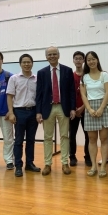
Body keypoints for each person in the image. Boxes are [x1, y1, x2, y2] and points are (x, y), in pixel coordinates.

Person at [36, 46, 76, 176]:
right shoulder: (41, 72)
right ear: (46, 57)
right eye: (49, 54)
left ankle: (65, 163)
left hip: (63, 107)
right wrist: (38, 111)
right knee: (48, 137)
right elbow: (39, 93)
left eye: (54, 54)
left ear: (58, 55)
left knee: (64, 136)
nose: (52, 56)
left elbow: (71, 91)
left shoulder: (67, 70)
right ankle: (47, 164)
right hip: (48, 108)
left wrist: (72, 108)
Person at [7, 54, 41, 177]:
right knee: (19, 140)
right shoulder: (14, 78)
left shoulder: (37, 79)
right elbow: (10, 96)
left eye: (29, 62)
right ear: (20, 64)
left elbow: (40, 97)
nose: (26, 64)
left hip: (33, 111)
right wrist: (11, 113)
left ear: (32, 63)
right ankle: (18, 166)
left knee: (31, 140)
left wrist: (39, 112)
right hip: (19, 112)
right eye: (24, 62)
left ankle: (29, 163)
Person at [80, 51, 108, 177]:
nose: (91, 61)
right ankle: (93, 165)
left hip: (103, 108)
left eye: (93, 59)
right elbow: (83, 94)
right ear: (86, 62)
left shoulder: (104, 75)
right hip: (90, 110)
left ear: (97, 60)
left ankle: (103, 165)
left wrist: (101, 108)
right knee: (92, 140)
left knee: (104, 139)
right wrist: (89, 109)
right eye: (89, 60)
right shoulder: (84, 77)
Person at [69, 51, 91, 167]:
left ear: (84, 61)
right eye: (76, 58)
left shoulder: (87, 76)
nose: (78, 60)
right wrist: (74, 109)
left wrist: (83, 108)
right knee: (72, 135)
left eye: (80, 58)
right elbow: (68, 94)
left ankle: (88, 157)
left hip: (86, 110)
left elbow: (90, 94)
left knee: (88, 135)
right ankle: (72, 157)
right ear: (73, 60)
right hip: (73, 111)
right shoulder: (70, 76)